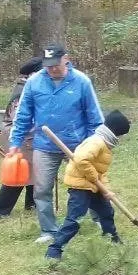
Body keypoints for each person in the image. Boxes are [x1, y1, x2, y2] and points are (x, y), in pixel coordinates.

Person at [8, 44, 104, 244]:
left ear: (66, 59)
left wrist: (94, 143)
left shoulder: (81, 82)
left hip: (78, 145)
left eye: (55, 65)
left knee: (90, 182)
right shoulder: (34, 82)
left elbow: (94, 117)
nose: (52, 69)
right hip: (45, 145)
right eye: (48, 65)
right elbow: (23, 115)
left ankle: (100, 219)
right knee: (42, 188)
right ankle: (49, 230)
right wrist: (15, 141)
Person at [46, 111, 129, 263]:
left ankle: (112, 239)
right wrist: (94, 177)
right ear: (115, 132)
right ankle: (54, 250)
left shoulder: (105, 144)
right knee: (75, 220)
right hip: (80, 187)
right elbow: (81, 160)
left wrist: (107, 190)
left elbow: (101, 172)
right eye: (122, 135)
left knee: (107, 212)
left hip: (93, 185)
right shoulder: (96, 142)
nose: (121, 138)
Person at [0, 58, 44, 218]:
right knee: (18, 171)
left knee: (36, 170)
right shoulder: (23, 92)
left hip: (29, 135)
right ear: (32, 74)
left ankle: (32, 204)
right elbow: (20, 119)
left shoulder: (31, 87)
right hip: (20, 135)